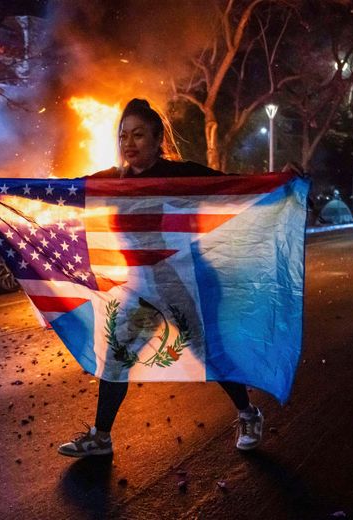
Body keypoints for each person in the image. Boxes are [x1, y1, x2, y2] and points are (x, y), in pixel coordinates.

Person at [57, 98, 265, 458]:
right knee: (116, 359)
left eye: (138, 135)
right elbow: (64, 192)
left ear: (157, 140)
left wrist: (285, 180)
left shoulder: (180, 175)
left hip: (179, 284)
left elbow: (234, 186)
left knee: (207, 353)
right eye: (123, 136)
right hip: (139, 289)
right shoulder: (113, 182)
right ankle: (101, 437)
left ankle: (249, 414)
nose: (129, 143)